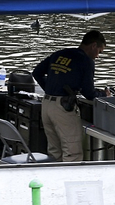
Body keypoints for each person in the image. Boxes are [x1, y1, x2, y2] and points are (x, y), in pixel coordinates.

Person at [32, 30, 107, 161]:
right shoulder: (86, 60)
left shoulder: (60, 53)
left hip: (47, 105)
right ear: (94, 45)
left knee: (54, 151)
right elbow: (89, 93)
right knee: (72, 153)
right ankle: (70, 181)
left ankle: (54, 180)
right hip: (63, 108)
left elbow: (37, 72)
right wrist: (103, 94)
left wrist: (50, 89)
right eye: (99, 52)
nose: (98, 56)